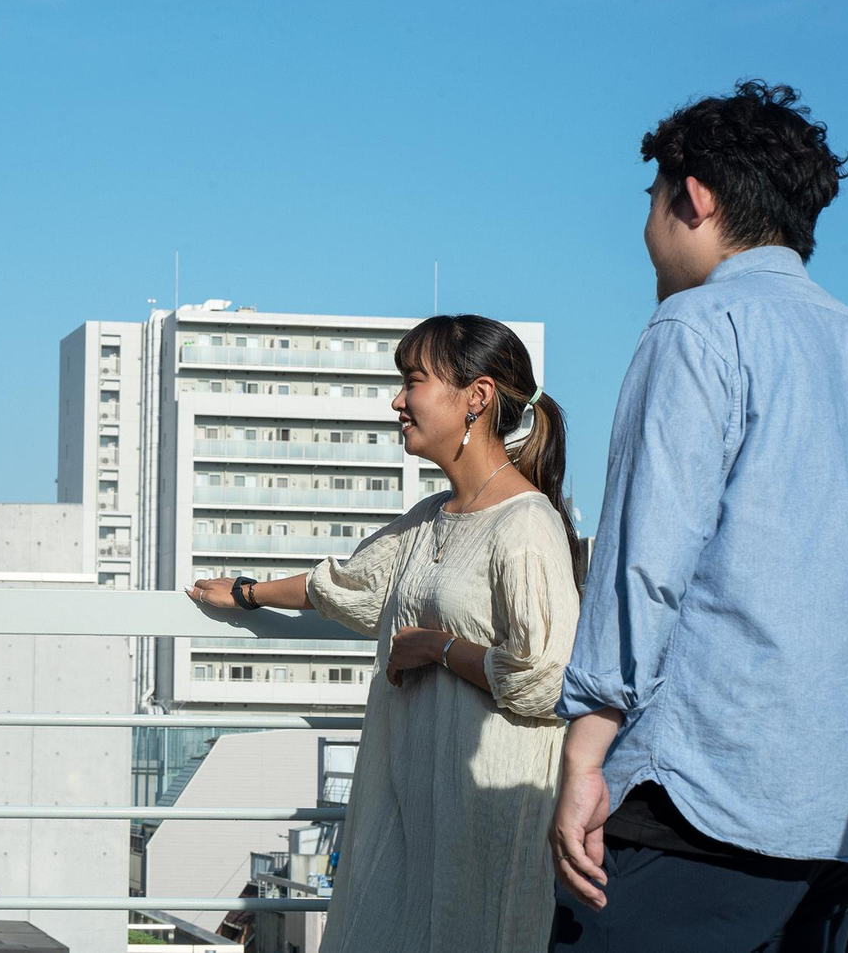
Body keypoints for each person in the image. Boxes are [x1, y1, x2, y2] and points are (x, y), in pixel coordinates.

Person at [548, 81, 848, 952]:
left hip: (704, 792)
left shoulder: (696, 326)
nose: (647, 229)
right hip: (842, 803)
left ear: (695, 196)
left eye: (652, 201)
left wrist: (585, 752)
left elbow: (645, 560)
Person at [189, 315, 582, 951]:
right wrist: (246, 592)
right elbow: (345, 584)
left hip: (484, 813)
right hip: (413, 801)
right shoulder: (429, 518)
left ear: (477, 396)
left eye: (413, 381)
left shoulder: (526, 524)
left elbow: (547, 676)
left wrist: (439, 648)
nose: (397, 401)